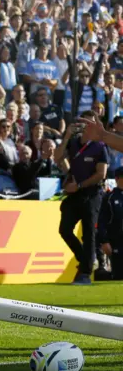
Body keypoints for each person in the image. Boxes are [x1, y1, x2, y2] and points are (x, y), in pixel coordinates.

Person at [54, 110, 108, 285]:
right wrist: (67, 135)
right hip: (74, 193)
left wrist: (78, 185)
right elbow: (57, 158)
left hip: (92, 193)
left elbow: (101, 174)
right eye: (84, 122)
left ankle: (85, 273)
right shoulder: (74, 143)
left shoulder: (100, 147)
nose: (87, 125)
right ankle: (86, 260)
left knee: (89, 232)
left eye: (91, 122)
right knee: (64, 229)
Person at [98, 167, 123, 280]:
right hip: (117, 242)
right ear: (117, 179)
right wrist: (104, 241)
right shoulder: (110, 198)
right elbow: (102, 221)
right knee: (118, 276)